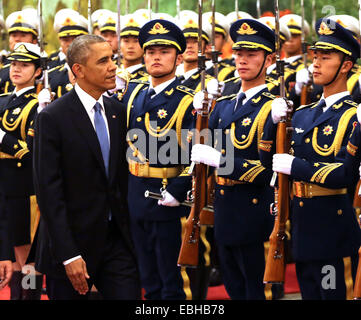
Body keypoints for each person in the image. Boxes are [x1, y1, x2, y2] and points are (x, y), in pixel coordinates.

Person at [32, 34, 141, 300]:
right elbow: (49, 192)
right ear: (78, 70)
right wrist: (68, 253)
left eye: (112, 59)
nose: (113, 67)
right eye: (103, 61)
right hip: (71, 245)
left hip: (117, 243)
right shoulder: (52, 117)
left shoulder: (117, 111)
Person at [261, 18, 361, 300]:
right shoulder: (303, 113)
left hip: (333, 229)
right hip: (302, 225)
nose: (315, 64)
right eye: (315, 57)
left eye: (325, 58)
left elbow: (346, 173)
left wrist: (298, 167)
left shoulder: (353, 115)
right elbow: (269, 159)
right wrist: (272, 123)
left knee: (333, 295)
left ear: (345, 66)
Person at [190, 18, 276, 300]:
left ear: (269, 60)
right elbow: (201, 151)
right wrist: (199, 116)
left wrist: (221, 160)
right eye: (239, 54)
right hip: (224, 208)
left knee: (257, 290)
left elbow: (269, 172)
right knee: (234, 287)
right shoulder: (224, 104)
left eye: (252, 55)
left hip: (254, 210)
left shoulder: (274, 106)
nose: (242, 61)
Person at [116, 19, 195, 300]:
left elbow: (200, 154)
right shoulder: (133, 93)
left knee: (171, 275)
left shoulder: (189, 100)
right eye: (150, 52)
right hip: (135, 193)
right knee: (146, 274)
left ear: (178, 56)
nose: (156, 57)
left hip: (168, 196)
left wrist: (179, 189)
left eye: (163, 51)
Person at [0, 42, 44, 300]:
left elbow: (30, 150)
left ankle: (29, 295)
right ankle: (17, 294)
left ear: (38, 71)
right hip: (3, 183)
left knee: (26, 253)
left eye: (24, 65)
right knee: (8, 249)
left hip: (22, 186)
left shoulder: (38, 104)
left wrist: (3, 137)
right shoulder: (3, 99)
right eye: (14, 64)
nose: (16, 69)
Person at [0, 9, 39, 94]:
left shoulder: (43, 66)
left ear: (34, 40)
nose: (17, 39)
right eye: (14, 35)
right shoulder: (3, 64)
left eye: (23, 35)